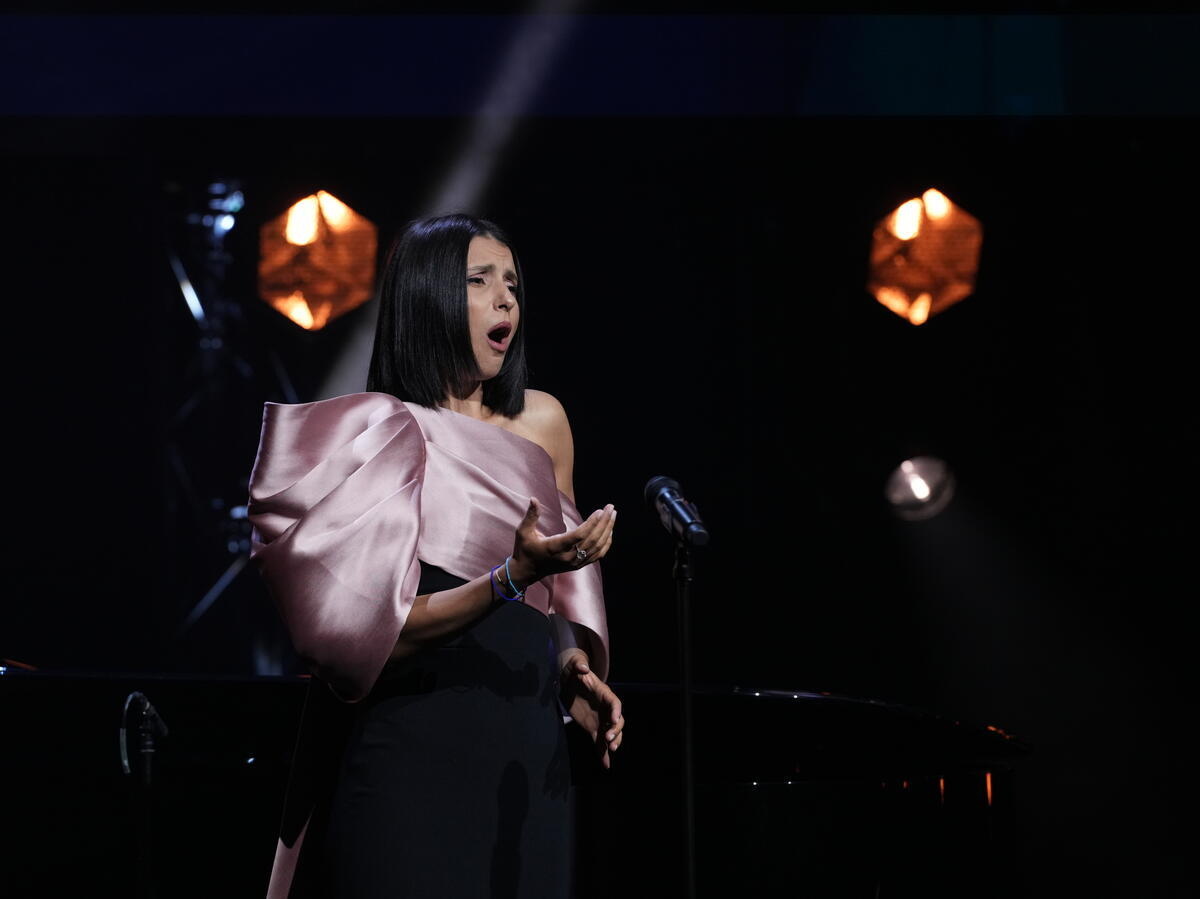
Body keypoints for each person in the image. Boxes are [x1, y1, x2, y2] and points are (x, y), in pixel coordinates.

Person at [246, 213, 624, 898]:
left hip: (524, 757)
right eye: (481, 280)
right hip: (410, 759)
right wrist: (511, 576)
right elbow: (368, 641)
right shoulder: (375, 435)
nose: (506, 297)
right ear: (428, 297)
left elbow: (561, 590)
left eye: (512, 282)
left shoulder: (544, 424)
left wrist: (572, 664)